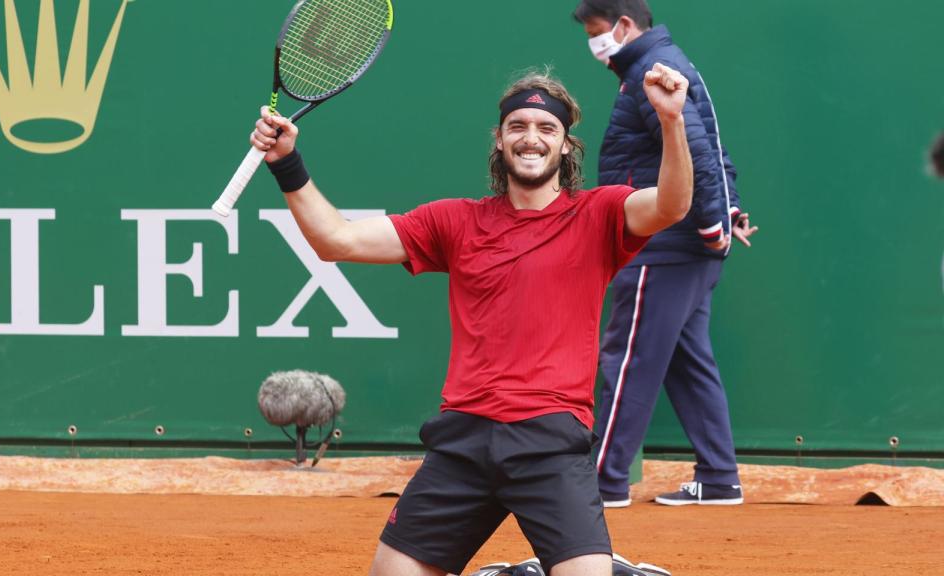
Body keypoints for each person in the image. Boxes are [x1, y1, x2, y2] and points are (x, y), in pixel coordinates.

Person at [249, 63, 694, 575]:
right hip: (463, 440)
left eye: (547, 129)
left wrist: (671, 121)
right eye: (518, 127)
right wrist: (286, 161)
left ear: (566, 146)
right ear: (499, 140)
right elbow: (336, 241)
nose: (532, 139)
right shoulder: (454, 221)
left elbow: (672, 205)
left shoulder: (600, 214)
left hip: (549, 441)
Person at [573, 0, 759, 507]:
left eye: (597, 32)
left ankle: (603, 482)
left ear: (625, 25)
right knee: (686, 360)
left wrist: (714, 224)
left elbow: (698, 152)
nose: (594, 43)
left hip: (663, 246)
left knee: (628, 360)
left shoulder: (653, 73)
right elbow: (709, 148)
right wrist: (728, 212)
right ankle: (719, 477)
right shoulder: (663, 64)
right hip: (683, 246)